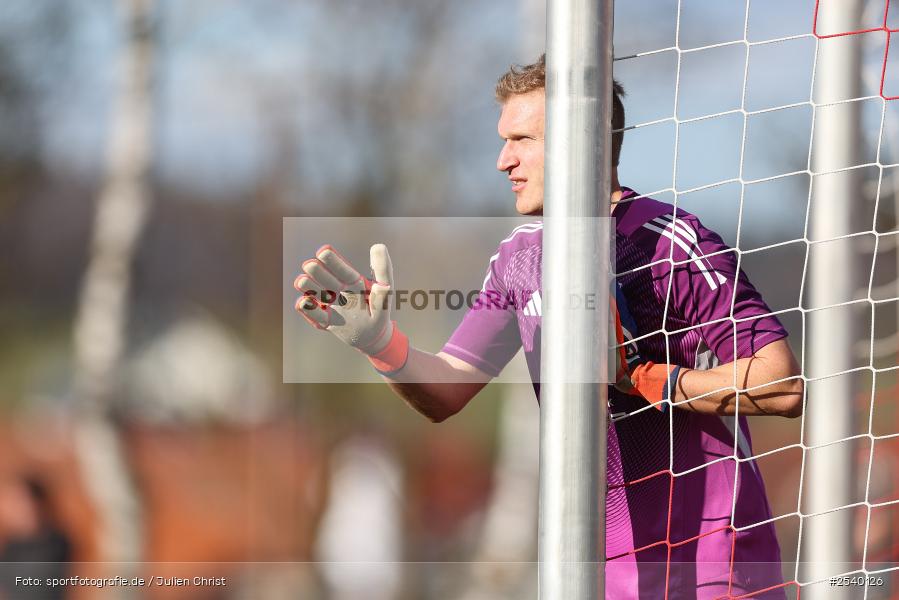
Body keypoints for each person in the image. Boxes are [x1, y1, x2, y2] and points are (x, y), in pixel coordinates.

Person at [294, 54, 804, 599]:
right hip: (595, 579)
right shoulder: (519, 257)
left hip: (712, 571)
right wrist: (381, 344)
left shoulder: (669, 242)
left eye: (521, 139)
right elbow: (446, 390)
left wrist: (649, 379)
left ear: (580, 141)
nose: (501, 160)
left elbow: (781, 385)